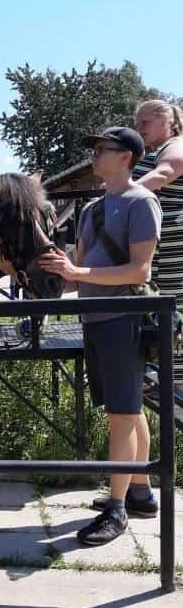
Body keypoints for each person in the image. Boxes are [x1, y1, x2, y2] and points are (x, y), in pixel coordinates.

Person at [38, 127, 161, 545]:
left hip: (124, 319)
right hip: (94, 319)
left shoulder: (142, 203)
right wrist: (57, 272)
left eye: (101, 150)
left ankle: (117, 508)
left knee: (121, 416)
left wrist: (78, 273)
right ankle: (140, 491)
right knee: (128, 409)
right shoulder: (91, 209)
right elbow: (77, 268)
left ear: (125, 157)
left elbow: (138, 271)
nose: (93, 156)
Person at [133, 99, 183, 403]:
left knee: (175, 309)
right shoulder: (154, 149)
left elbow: (166, 173)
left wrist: (124, 194)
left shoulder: (175, 146)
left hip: (177, 246)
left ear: (166, 121)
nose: (139, 130)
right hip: (161, 249)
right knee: (162, 310)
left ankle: (177, 386)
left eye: (145, 123)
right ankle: (167, 378)